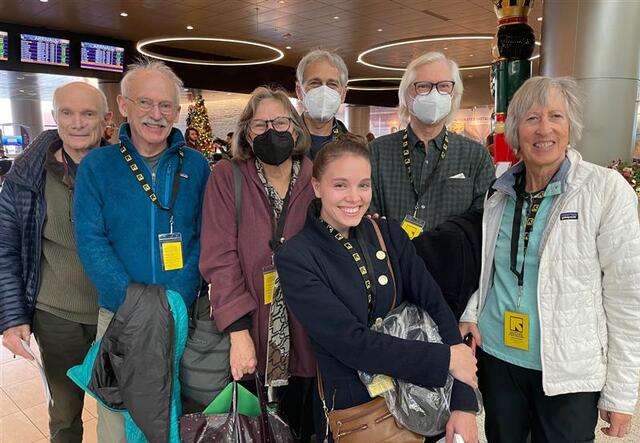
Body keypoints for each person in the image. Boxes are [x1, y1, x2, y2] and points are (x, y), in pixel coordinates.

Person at [459, 76, 640, 442]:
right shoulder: (499, 191)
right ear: (515, 131)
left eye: (556, 116)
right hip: (499, 359)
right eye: (531, 118)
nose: (545, 129)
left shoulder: (604, 191)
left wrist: (622, 393)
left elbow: (627, 296)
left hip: (568, 369)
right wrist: (471, 312)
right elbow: (489, 267)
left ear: (570, 126)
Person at [275, 135, 479, 443]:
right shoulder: (297, 257)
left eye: (363, 185)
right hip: (362, 412)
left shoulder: (388, 234)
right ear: (317, 187)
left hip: (423, 401)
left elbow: (435, 305)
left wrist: (463, 401)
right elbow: (351, 343)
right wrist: (445, 359)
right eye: (340, 185)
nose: (353, 197)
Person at [74, 59, 210, 442]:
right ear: (123, 105)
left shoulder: (197, 166)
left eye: (166, 105)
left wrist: (175, 299)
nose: (156, 114)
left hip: (181, 314)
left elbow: (205, 236)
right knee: (117, 420)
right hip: (119, 315)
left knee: (178, 415)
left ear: (177, 112)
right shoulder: (98, 167)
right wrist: (134, 301)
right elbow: (91, 239)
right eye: (145, 103)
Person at [200, 86, 316, 441]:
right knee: (256, 428)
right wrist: (238, 333)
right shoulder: (228, 176)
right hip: (253, 329)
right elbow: (220, 257)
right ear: (247, 132)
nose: (272, 131)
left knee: (304, 426)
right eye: (261, 125)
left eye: (280, 122)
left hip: (309, 330)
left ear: (295, 128)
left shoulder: (318, 177)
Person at [0, 81, 111, 442]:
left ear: (105, 120)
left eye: (88, 113)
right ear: (54, 117)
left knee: (121, 413)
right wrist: (13, 317)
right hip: (56, 317)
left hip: (116, 314)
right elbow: (6, 249)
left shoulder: (125, 172)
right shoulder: (25, 177)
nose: (77, 122)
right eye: (67, 112)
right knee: (64, 418)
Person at [369, 51, 495, 231]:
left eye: (444, 86)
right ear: (406, 95)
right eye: (423, 86)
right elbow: (367, 214)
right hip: (392, 256)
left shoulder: (475, 156)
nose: (434, 94)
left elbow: (483, 220)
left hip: (450, 257)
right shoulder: (377, 152)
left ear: (454, 95)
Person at [295, 49, 349, 159]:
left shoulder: (352, 147)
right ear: (299, 91)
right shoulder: (284, 142)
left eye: (332, 84)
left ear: (343, 94)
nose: (324, 91)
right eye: (315, 83)